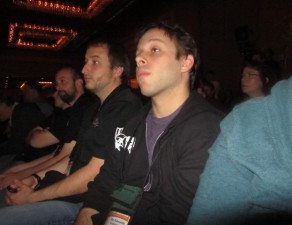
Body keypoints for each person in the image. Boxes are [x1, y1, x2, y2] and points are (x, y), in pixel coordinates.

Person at [74, 22, 223, 225]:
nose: (138, 58)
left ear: (185, 63)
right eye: (138, 53)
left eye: (154, 49)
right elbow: (106, 180)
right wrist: (86, 213)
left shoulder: (207, 129)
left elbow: (176, 215)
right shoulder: (130, 125)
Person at [0, 38, 142, 225]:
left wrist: (32, 197)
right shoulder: (93, 106)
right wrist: (33, 179)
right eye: (86, 62)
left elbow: (94, 172)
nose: (85, 69)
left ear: (117, 70)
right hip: (62, 188)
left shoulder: (124, 107)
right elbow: (70, 159)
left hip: (82, 201)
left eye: (95, 62)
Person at [187, 76, 292, 225]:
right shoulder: (241, 117)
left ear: (265, 80)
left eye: (250, 75)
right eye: (242, 75)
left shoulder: (216, 115)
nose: (244, 79)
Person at [0, 66, 94, 190]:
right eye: (56, 84)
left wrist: (21, 175)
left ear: (79, 83)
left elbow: (39, 144)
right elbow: (55, 154)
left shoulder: (83, 108)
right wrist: (15, 172)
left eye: (63, 81)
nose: (56, 89)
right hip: (44, 168)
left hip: (63, 179)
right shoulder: (67, 112)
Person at [0, 90, 45, 173]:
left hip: (36, 158)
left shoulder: (22, 112)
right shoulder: (20, 111)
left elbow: (19, 144)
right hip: (33, 156)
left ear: (3, 104)